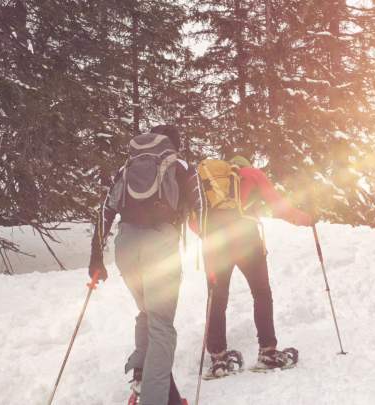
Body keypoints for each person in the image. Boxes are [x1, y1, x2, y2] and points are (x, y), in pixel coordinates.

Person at [89, 125, 198, 405]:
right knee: (162, 326)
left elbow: (106, 209)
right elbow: (203, 209)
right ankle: (154, 400)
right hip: (159, 246)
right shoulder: (180, 165)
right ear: (175, 145)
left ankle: (146, 380)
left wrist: (96, 258)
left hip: (126, 246)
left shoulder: (128, 168)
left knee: (148, 313)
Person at [193, 154, 313, 378]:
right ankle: (267, 353)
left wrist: (207, 234)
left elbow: (192, 218)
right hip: (246, 238)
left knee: (216, 298)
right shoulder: (252, 174)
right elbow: (279, 207)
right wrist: (306, 219)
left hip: (215, 242)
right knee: (261, 293)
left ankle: (218, 360)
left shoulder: (205, 182)